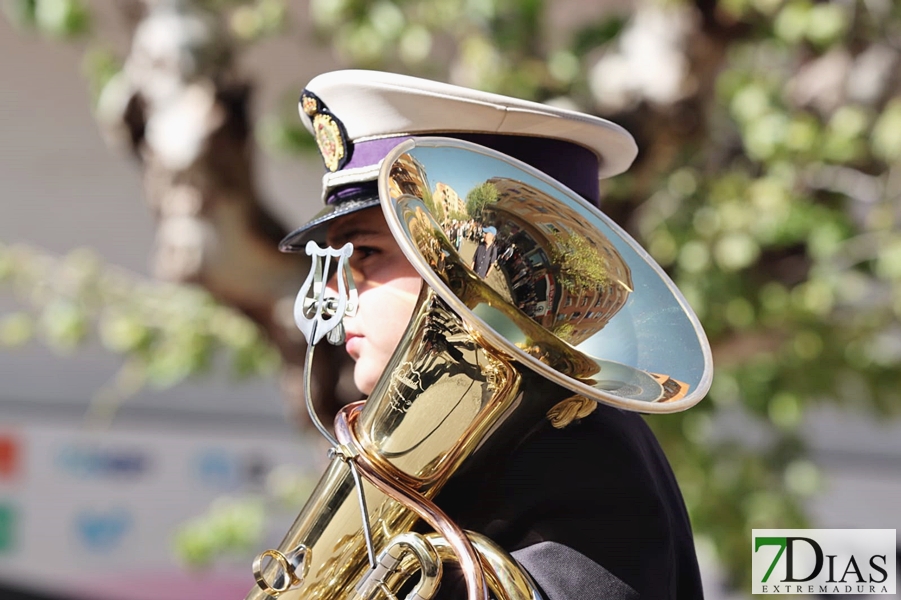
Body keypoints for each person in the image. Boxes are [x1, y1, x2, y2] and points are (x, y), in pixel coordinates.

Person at [279, 70, 706, 599]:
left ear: (476, 264)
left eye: (365, 253)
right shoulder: (472, 450)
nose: (341, 294)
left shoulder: (574, 445)